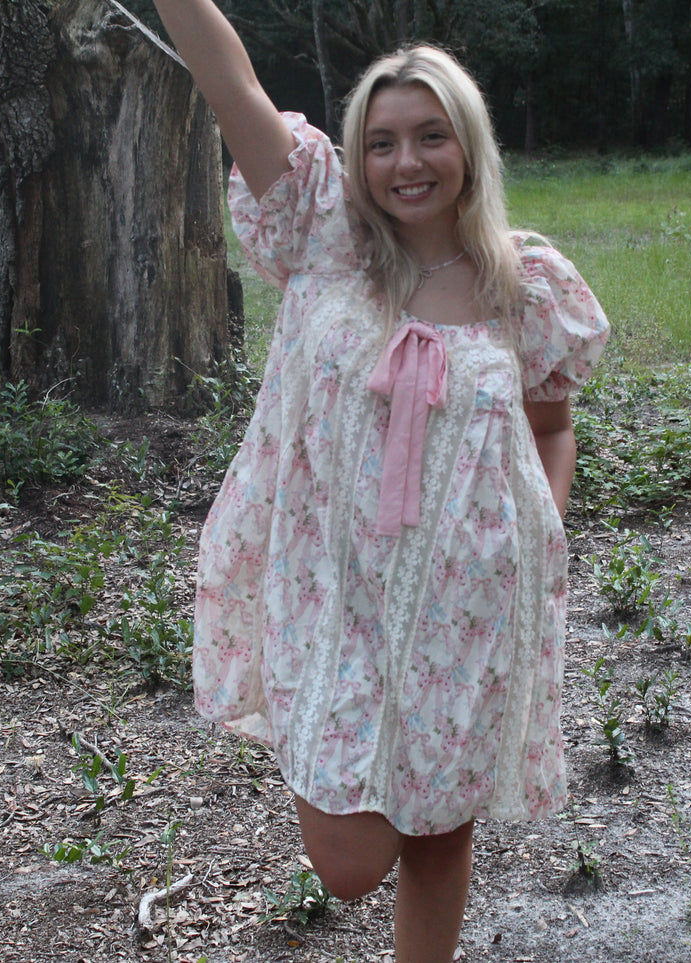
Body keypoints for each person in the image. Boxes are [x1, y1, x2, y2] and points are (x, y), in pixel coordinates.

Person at [149, 4, 610, 960]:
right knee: (350, 862)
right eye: (383, 142)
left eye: (430, 137)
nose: (407, 163)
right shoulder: (320, 231)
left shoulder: (522, 283)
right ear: (355, 158)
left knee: (442, 827)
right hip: (331, 592)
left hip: (465, 603)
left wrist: (538, 544)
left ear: (467, 147)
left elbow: (551, 425)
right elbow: (227, 79)